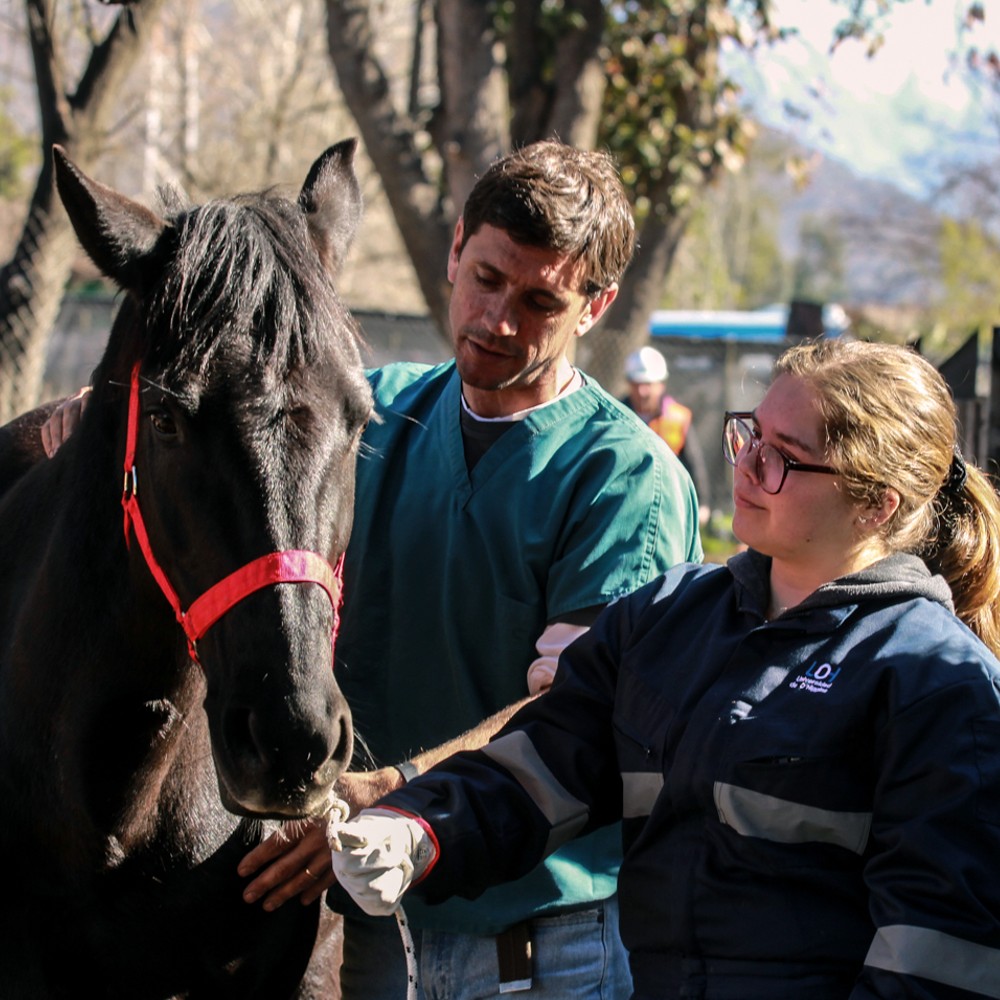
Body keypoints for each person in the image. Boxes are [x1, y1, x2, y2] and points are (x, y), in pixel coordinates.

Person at [44, 141, 703, 997]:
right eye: (488, 277)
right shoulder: (373, 413)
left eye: (541, 300)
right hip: (372, 941)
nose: (498, 319)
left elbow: (576, 714)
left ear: (596, 305)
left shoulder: (626, 479)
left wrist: (385, 798)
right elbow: (236, 426)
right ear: (458, 245)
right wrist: (106, 414)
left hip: (540, 953)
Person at [325, 338, 1000, 1000]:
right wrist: (419, 827)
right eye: (749, 434)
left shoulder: (933, 682)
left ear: (875, 503)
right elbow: (549, 761)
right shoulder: (668, 618)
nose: (747, 465)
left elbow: (940, 956)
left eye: (784, 460)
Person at [622, 345, 710, 524]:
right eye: (636, 384)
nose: (642, 392)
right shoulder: (615, 416)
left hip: (666, 505)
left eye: (647, 385)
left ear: (661, 384)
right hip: (625, 505)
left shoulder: (678, 418)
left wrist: (703, 503)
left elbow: (694, 462)